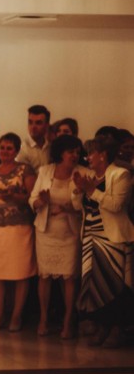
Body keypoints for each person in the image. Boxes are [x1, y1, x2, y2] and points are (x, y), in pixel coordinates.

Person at [73, 137, 134, 347]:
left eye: (91, 153)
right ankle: (102, 326)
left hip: (111, 239)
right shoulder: (90, 176)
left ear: (103, 155)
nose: (87, 157)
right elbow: (77, 206)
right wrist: (78, 190)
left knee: (113, 284)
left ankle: (117, 328)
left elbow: (116, 205)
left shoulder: (121, 174)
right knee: (94, 286)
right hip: (90, 236)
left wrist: (92, 191)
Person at [0, 133, 37, 332]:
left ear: (17, 150)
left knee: (21, 272)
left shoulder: (25, 169)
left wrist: (15, 196)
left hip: (20, 228)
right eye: (2, 148)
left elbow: (32, 198)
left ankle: (16, 316)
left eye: (9, 148)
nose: (5, 151)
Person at [29, 135, 87, 338]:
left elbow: (84, 206)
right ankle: (43, 319)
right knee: (44, 276)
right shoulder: (45, 171)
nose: (75, 155)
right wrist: (41, 201)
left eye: (77, 152)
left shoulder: (83, 173)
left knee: (69, 277)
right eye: (71, 151)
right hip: (46, 232)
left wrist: (71, 205)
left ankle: (68, 322)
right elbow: (33, 199)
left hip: (70, 233)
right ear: (60, 153)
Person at [17, 104, 52, 171]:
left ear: (47, 125)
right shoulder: (22, 149)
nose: (33, 127)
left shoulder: (51, 146)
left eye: (38, 123)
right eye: (30, 122)